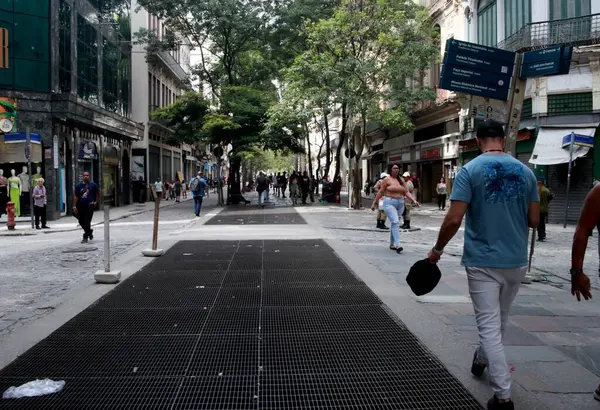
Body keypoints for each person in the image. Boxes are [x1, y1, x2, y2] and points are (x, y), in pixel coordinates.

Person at [426, 119, 540, 410]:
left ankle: (503, 397)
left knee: (489, 326)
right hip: (516, 261)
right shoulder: (526, 172)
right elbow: (534, 220)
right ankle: (481, 357)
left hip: (483, 262)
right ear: (503, 139)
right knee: (498, 320)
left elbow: (454, 218)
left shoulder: (469, 170)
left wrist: (437, 249)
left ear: (478, 141)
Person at [371, 165, 419, 253]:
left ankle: (392, 244)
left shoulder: (401, 180)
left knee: (394, 223)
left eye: (398, 168)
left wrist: (413, 200)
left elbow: (406, 192)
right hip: (389, 202)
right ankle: (398, 245)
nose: (396, 170)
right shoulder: (387, 180)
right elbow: (381, 192)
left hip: (400, 203)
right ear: (391, 169)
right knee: (396, 222)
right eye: (394, 168)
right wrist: (374, 203)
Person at [73, 171, 100, 244]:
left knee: (87, 222)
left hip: (90, 205)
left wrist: (96, 202)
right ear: (82, 176)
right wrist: (74, 206)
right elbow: (76, 197)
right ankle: (89, 232)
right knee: (81, 221)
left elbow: (97, 194)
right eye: (84, 175)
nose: (86, 176)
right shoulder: (79, 186)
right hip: (81, 206)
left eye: (87, 175)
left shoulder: (93, 185)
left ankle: (85, 236)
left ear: (89, 176)